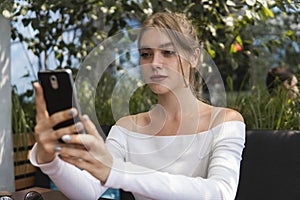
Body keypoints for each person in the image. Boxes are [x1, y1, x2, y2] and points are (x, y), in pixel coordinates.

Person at [30, 11, 245, 200]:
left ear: (194, 56)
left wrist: (118, 172)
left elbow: (220, 193)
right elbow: (88, 190)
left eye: (167, 52)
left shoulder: (225, 121)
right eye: (146, 54)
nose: (155, 63)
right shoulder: (127, 128)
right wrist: (50, 161)